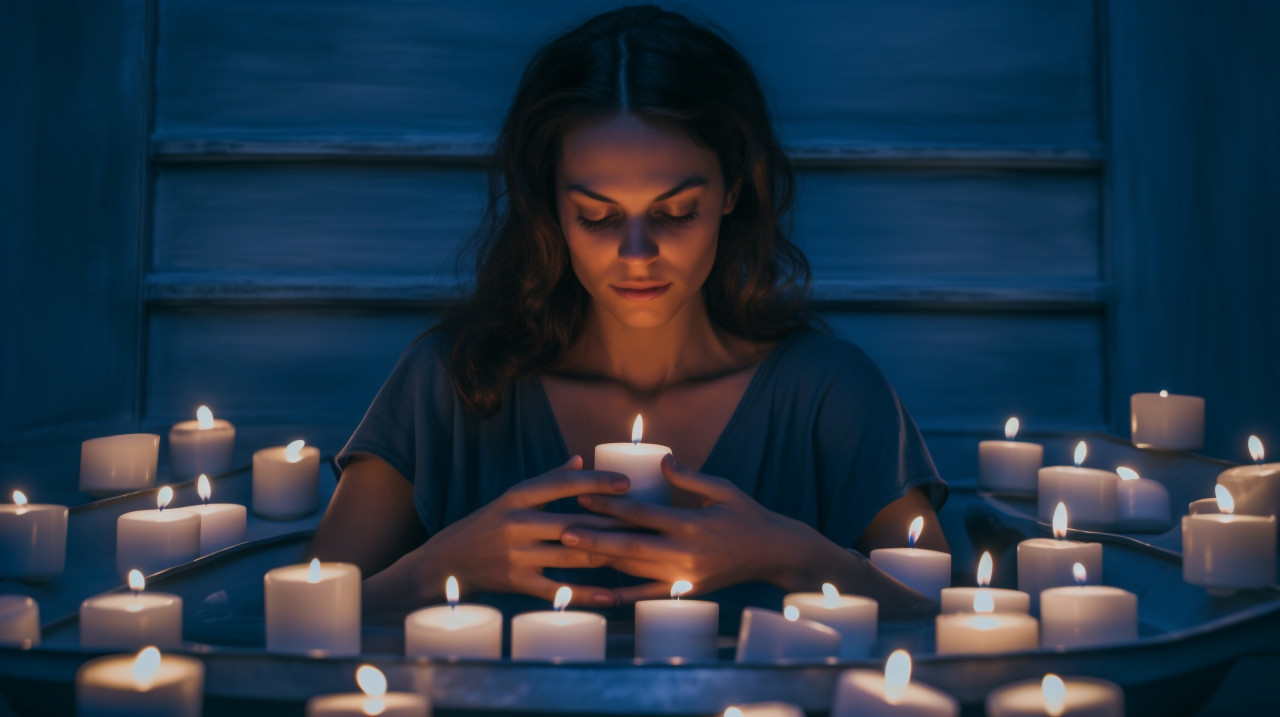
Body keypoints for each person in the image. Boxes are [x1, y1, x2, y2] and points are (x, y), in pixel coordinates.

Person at [306, 4, 948, 627]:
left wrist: (791, 556)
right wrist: (445, 565)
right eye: (598, 215)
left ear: (732, 191)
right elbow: (291, 623)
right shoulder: (454, 385)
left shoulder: (828, 394)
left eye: (675, 213)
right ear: (551, 205)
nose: (637, 254)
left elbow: (952, 624)